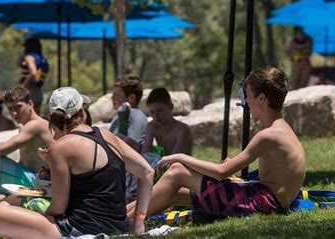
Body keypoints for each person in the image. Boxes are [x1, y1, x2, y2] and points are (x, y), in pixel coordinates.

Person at [0, 87, 154, 238]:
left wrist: (33, 213)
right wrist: (139, 221)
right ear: (81, 111)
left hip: (76, 230)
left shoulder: (62, 146)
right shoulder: (106, 135)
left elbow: (58, 207)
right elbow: (146, 172)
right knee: (11, 207)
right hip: (118, 227)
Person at [127, 66, 306, 222]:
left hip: (262, 203)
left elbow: (221, 173)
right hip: (267, 199)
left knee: (177, 172)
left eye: (248, 95)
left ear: (261, 98)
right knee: (177, 191)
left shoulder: (268, 135)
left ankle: (125, 221)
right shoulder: (283, 129)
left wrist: (180, 157)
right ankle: (120, 215)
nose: (246, 102)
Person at [0, 86, 54, 194]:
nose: (14, 113)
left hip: (41, 182)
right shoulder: (27, 127)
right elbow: (22, 163)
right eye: (10, 109)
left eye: (18, 107)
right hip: (35, 179)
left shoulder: (35, 125)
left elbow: (3, 149)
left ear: (30, 104)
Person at [141, 87, 191, 156]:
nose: (156, 115)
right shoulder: (152, 127)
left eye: (159, 111)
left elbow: (176, 158)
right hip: (164, 163)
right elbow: (145, 153)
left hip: (180, 165)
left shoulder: (182, 130)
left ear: (171, 107)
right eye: (152, 112)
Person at [109, 74, 148, 151]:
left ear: (131, 98)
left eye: (116, 95)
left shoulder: (137, 116)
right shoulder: (117, 116)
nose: (112, 97)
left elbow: (130, 146)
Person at [18, 37, 49, 114]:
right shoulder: (42, 59)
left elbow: (33, 72)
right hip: (38, 92)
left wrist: (23, 87)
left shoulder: (29, 57)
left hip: (29, 93)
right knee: (37, 119)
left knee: (27, 120)